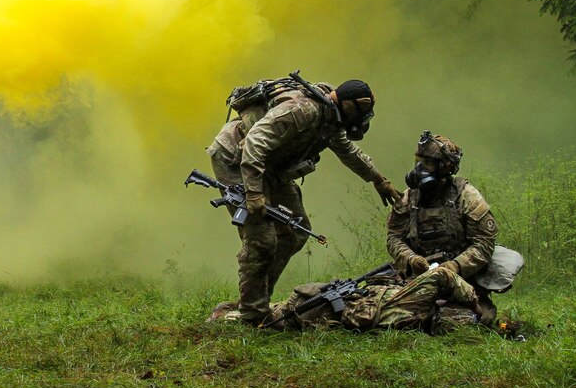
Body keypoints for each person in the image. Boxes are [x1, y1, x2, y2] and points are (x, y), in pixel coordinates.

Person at [206, 73, 401, 325]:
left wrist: (379, 180)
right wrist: (254, 193)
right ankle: (252, 315)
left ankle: (253, 302)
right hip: (236, 160)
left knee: (295, 231)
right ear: (351, 105)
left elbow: (348, 152)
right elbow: (254, 143)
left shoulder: (331, 117)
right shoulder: (302, 109)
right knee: (262, 239)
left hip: (272, 168)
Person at [386, 130, 499, 322]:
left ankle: (476, 306)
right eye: (418, 161)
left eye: (427, 163)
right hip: (420, 279)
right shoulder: (409, 198)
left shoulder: (466, 197)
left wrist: (455, 266)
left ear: (444, 167)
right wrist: (411, 259)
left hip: (464, 280)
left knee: (461, 321)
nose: (419, 169)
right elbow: (393, 237)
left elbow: (484, 243)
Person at [210, 264, 494, 333]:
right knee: (281, 314)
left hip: (340, 310)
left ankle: (231, 313)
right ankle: (233, 311)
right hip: (347, 304)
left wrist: (475, 305)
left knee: (281, 316)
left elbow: (443, 277)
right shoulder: (415, 309)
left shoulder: (416, 307)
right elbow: (440, 277)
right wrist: (476, 305)